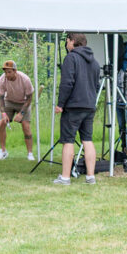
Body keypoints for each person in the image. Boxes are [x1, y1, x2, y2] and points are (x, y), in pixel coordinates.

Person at [53, 33, 101, 185]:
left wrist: (60, 104)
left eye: (67, 41)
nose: (66, 44)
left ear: (73, 41)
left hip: (73, 106)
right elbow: (97, 85)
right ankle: (90, 177)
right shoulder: (94, 62)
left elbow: (67, 83)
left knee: (68, 141)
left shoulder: (71, 58)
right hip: (89, 106)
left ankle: (65, 177)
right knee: (87, 139)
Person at [0, 60, 35, 161]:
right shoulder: (2, 79)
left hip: (24, 102)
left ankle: (30, 153)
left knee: (26, 126)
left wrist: (21, 113)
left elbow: (30, 98)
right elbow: (0, 98)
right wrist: (3, 113)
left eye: (9, 72)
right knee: (1, 124)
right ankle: (3, 151)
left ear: (15, 71)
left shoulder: (25, 79)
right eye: (5, 72)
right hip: (9, 101)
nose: (7, 74)